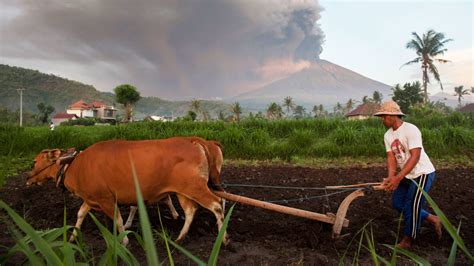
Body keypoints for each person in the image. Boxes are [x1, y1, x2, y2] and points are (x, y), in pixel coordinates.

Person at [374, 100, 441, 249]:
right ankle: (432, 218)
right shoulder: (388, 135)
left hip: (421, 173)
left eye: (384, 116)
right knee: (398, 204)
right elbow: (391, 158)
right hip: (407, 174)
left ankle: (409, 240)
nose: (382, 120)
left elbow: (415, 157)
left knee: (412, 206)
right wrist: (391, 177)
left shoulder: (411, 130)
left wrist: (398, 178)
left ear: (393, 116)